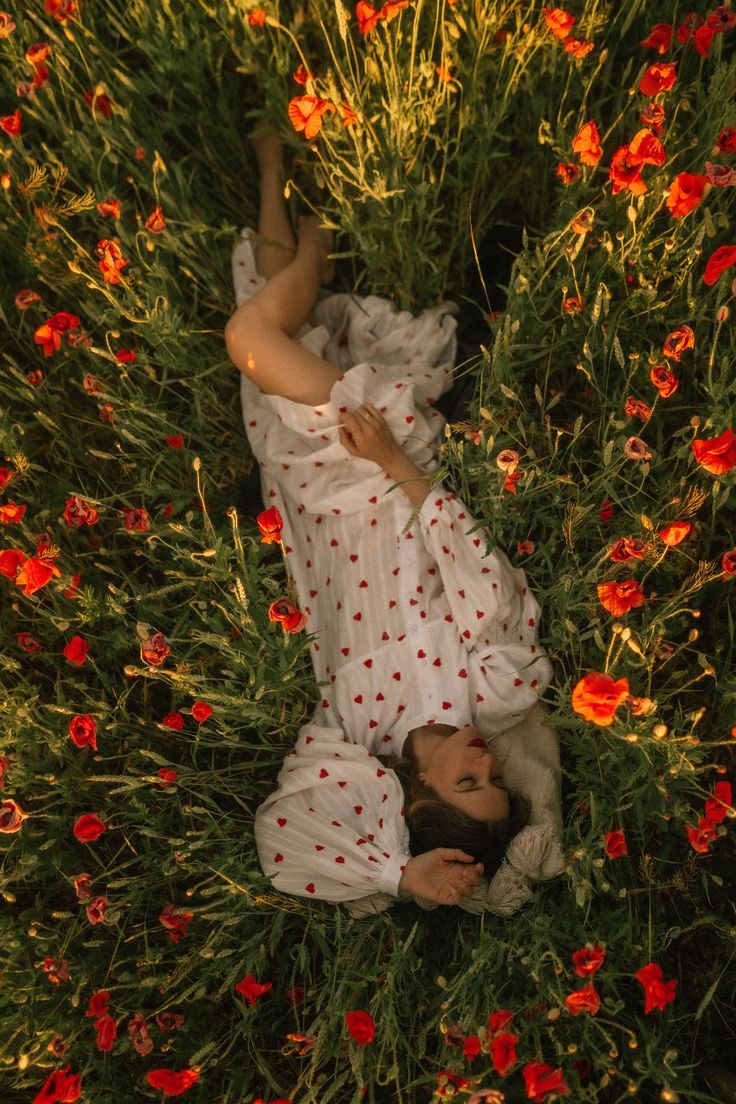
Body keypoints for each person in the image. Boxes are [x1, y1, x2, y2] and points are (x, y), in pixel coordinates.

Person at [225, 130, 563, 916]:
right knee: (251, 340)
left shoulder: (351, 735)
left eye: (468, 783)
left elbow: (282, 839)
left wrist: (393, 877)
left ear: (413, 799)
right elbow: (482, 570)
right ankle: (318, 232)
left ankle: (278, 177)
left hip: (307, 493)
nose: (485, 762)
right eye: (496, 780)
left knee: (266, 337)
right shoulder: (494, 689)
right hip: (380, 462)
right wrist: (396, 462)